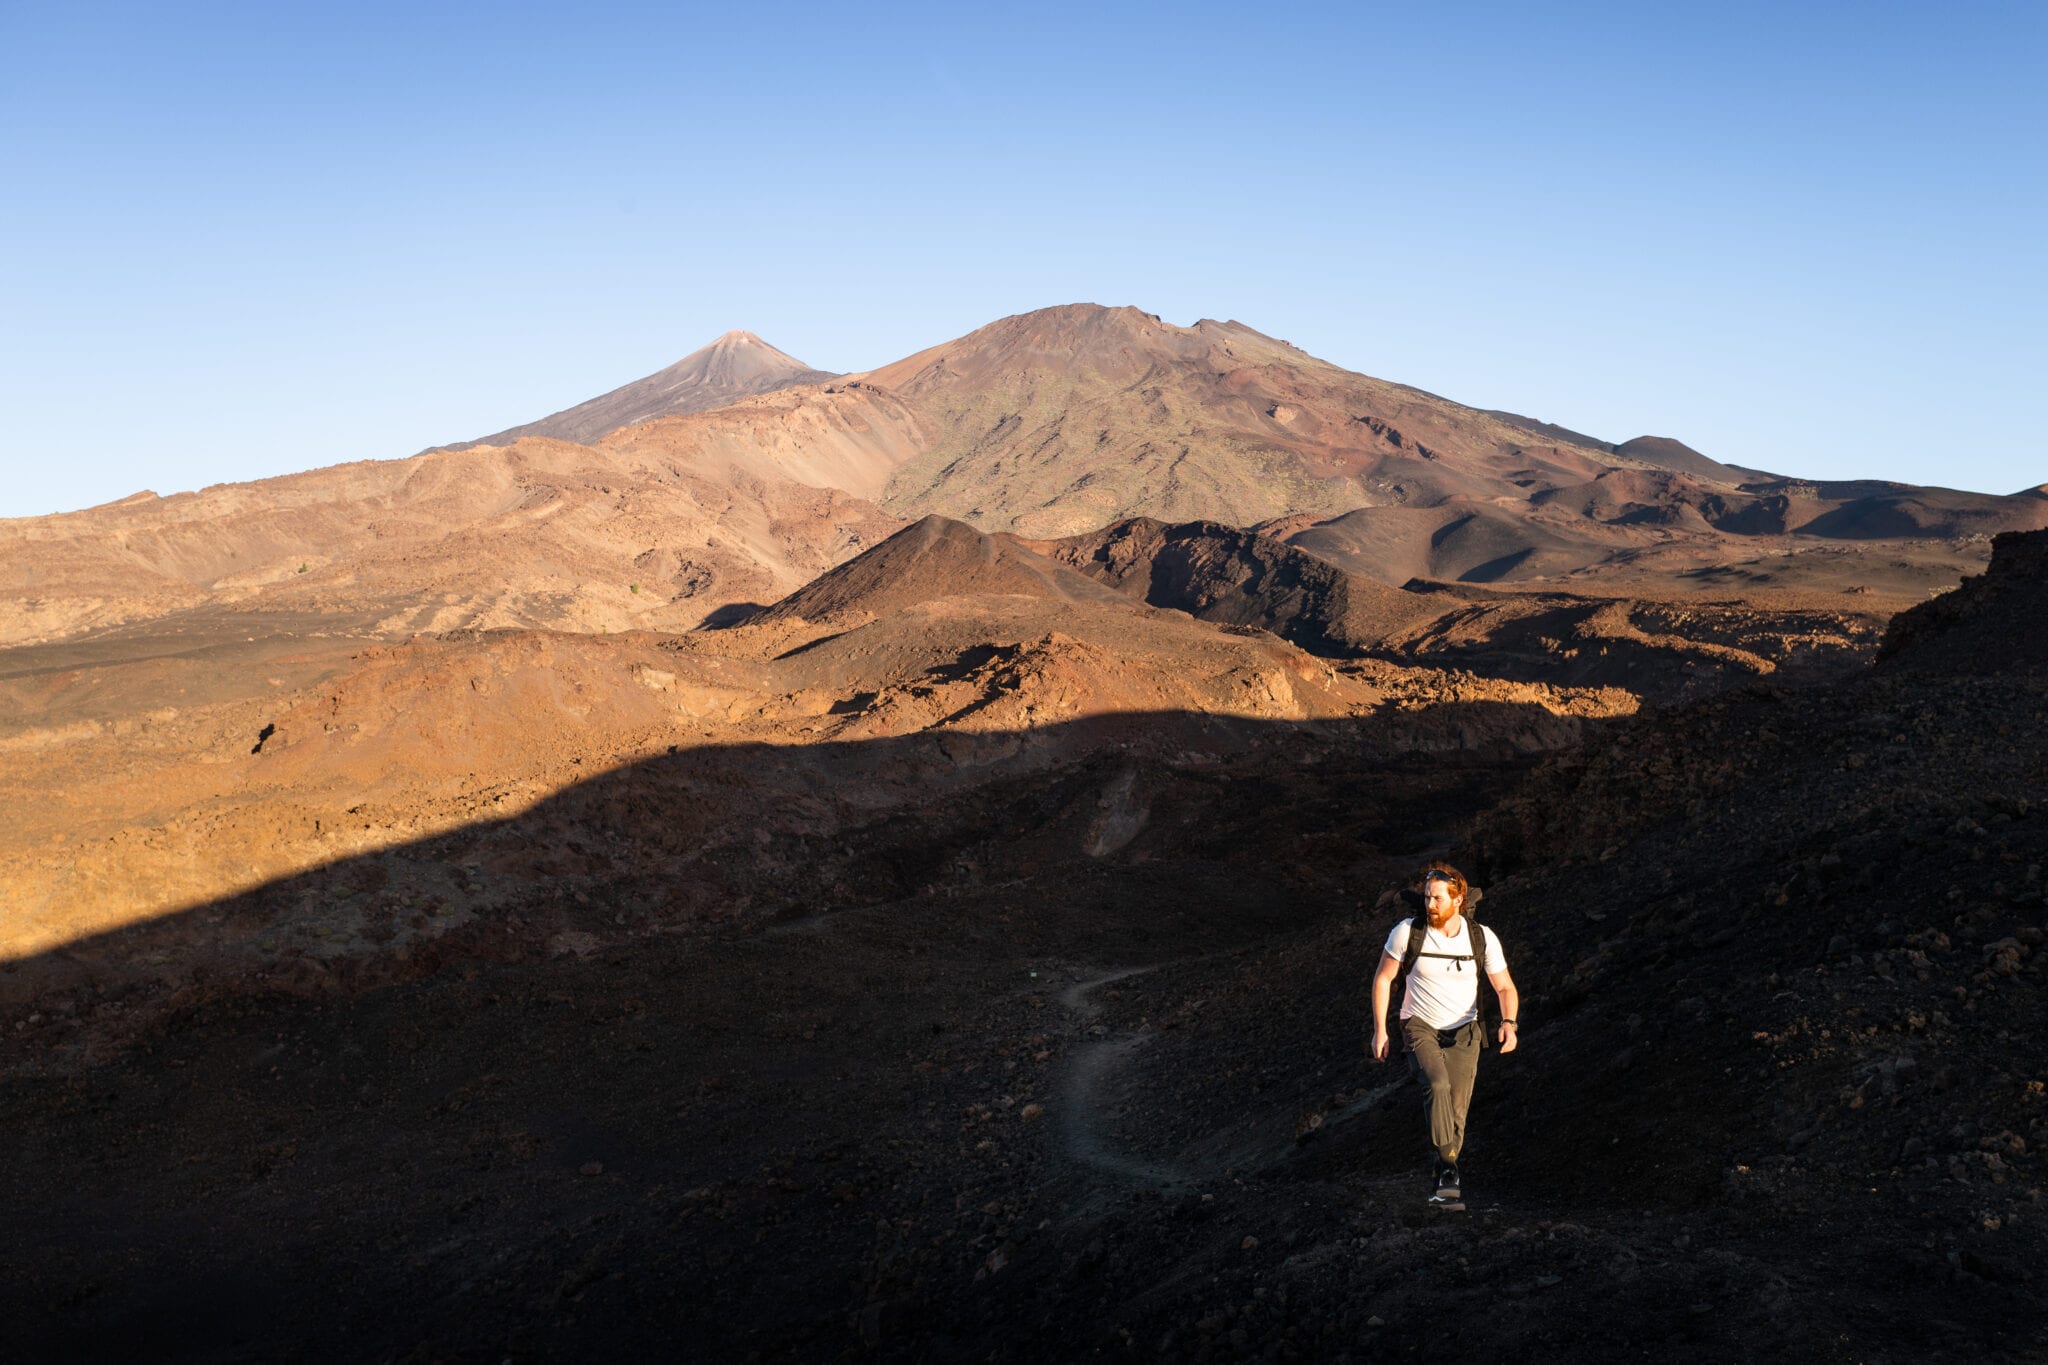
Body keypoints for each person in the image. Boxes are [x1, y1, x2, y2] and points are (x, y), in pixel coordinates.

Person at [1369, 862, 1519, 1210]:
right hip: (1419, 1025)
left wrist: (1509, 1022)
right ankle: (1448, 1170)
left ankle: (1443, 1181)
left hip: (1466, 1031)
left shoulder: (1481, 937)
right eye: (1426, 897)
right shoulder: (1408, 932)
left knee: (1457, 1112)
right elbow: (1383, 979)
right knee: (1436, 1085)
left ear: (1458, 899)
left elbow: (1504, 987)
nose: (1429, 904)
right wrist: (1380, 1029)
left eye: (1437, 898)